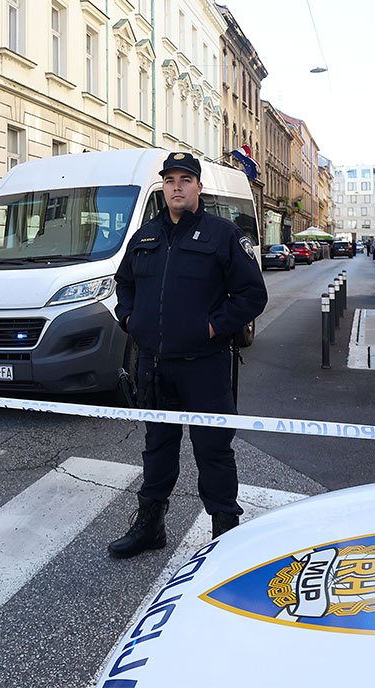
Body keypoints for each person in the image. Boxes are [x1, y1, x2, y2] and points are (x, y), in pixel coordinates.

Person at [109, 152, 268, 558]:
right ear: (163, 187)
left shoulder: (223, 235)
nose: (176, 187)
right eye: (170, 180)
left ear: (199, 186)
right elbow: (123, 284)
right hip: (154, 366)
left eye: (185, 180)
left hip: (205, 367)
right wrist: (130, 319)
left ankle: (225, 534)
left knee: (214, 451)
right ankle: (151, 526)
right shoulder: (145, 236)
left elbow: (252, 295)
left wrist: (212, 327)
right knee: (157, 449)